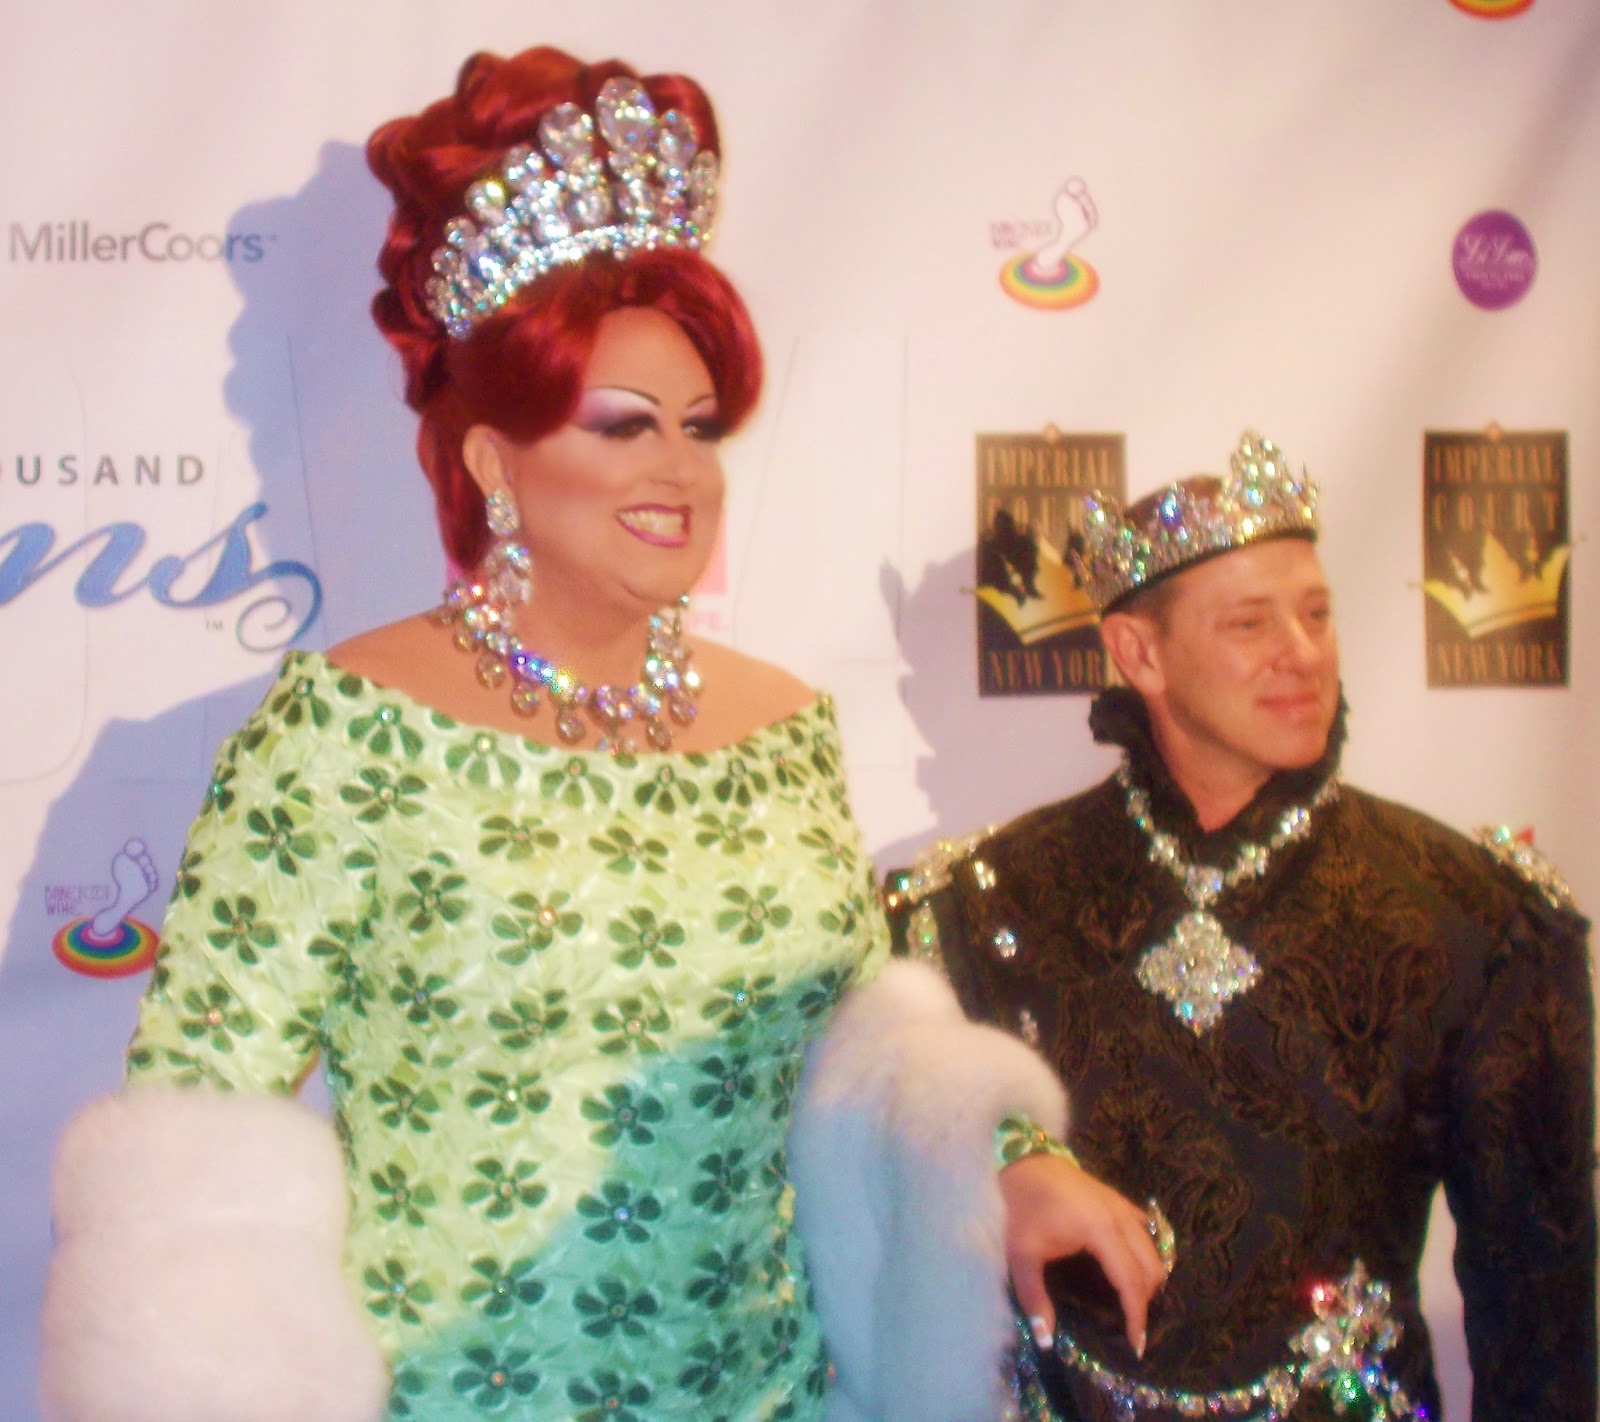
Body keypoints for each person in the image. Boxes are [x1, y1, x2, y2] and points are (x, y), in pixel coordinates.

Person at [37, 47, 1163, 1422]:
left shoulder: (782, 729)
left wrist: (1003, 1158)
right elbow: (194, 1147)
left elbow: (851, 1047)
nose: (679, 469)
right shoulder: (345, 732)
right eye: (623, 426)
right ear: (494, 461)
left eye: (699, 426)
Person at [883, 430, 1596, 1421]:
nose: (1301, 654)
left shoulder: (1471, 913)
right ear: (1138, 653)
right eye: (1249, 623)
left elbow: (1543, 1315)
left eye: (1316, 614)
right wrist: (999, 1163)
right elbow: (880, 1191)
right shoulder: (985, 902)